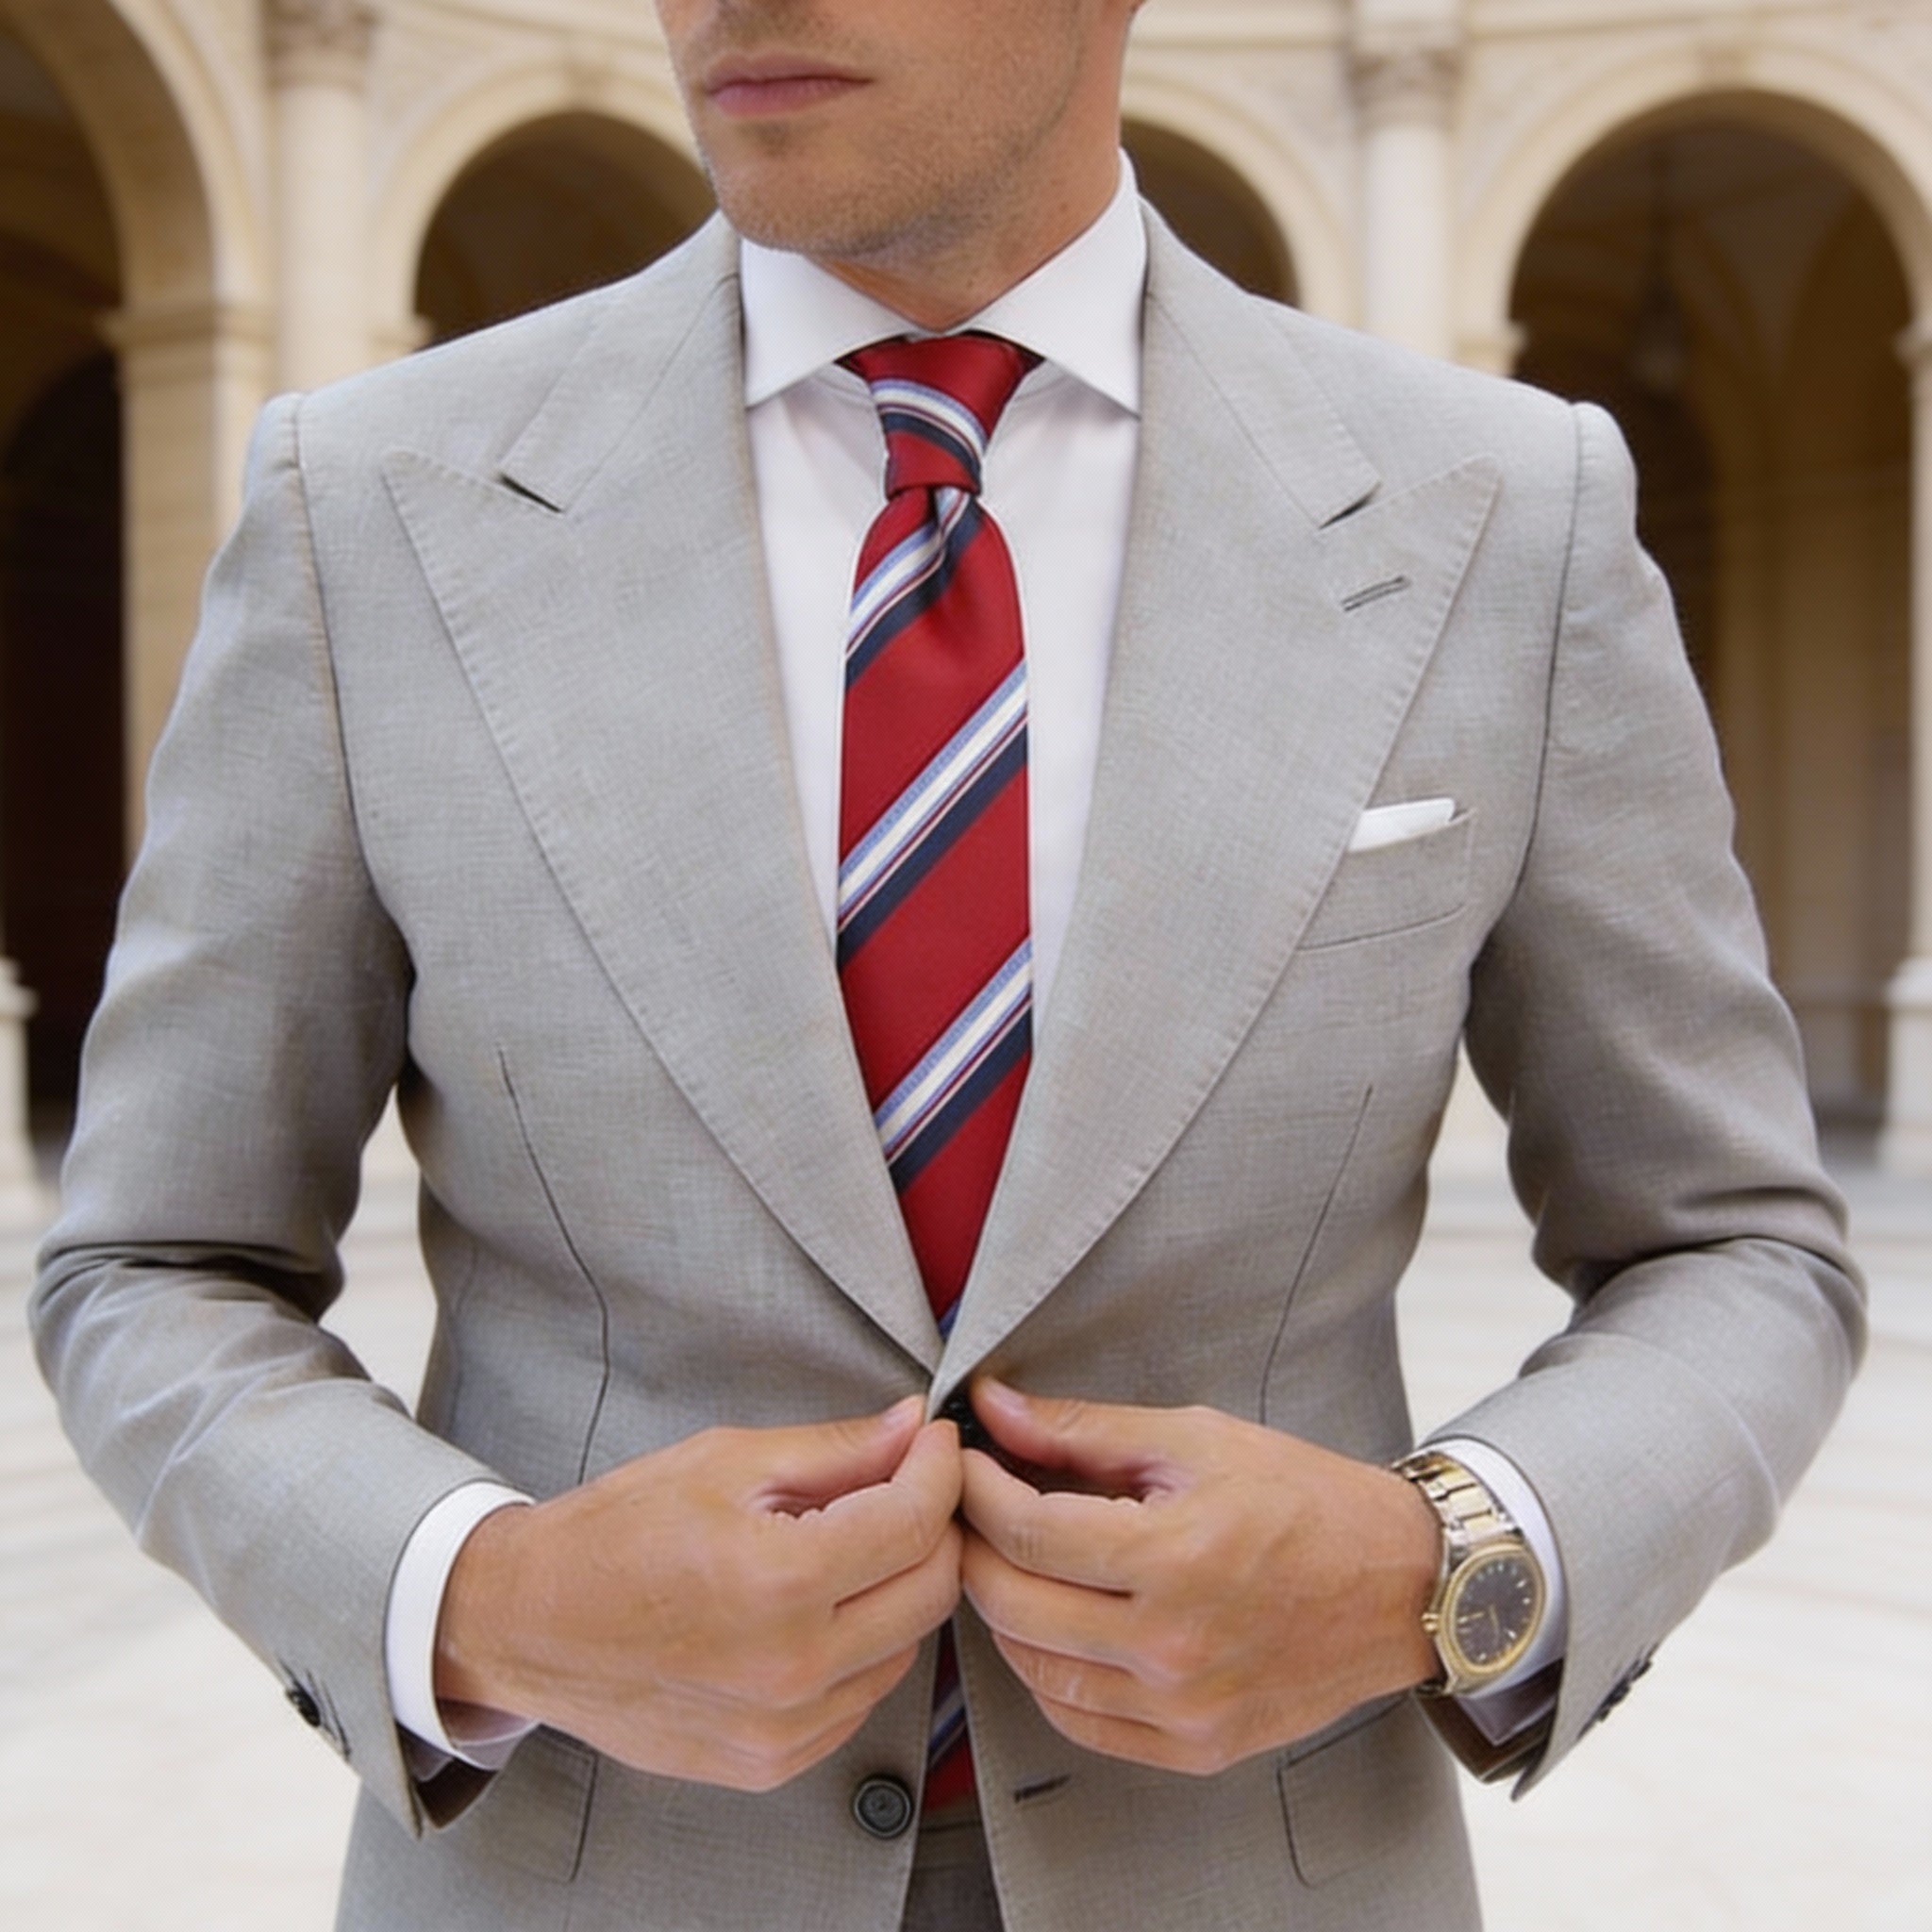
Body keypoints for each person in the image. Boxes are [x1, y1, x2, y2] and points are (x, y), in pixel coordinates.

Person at [31, 2, 1864, 1928]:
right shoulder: (369, 509)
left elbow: (1732, 1244)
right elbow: (155, 1259)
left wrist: (1440, 1556)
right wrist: (484, 1598)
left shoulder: (1504, 519)